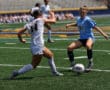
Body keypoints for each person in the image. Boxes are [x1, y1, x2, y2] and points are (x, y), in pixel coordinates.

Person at [10, 9, 63, 79]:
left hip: (36, 45)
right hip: (38, 46)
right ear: (40, 14)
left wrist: (21, 40)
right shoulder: (41, 20)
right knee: (33, 65)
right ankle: (17, 73)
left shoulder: (30, 23)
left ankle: (54, 72)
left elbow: (19, 33)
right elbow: (54, 21)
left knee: (50, 55)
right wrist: (52, 14)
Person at [66, 6, 109, 72]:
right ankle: (72, 64)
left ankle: (90, 63)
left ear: (86, 11)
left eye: (83, 10)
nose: (82, 11)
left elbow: (96, 27)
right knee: (69, 47)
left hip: (89, 38)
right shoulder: (78, 19)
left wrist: (104, 34)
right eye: (80, 10)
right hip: (82, 38)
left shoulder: (88, 19)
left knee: (88, 46)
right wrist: (70, 25)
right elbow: (77, 24)